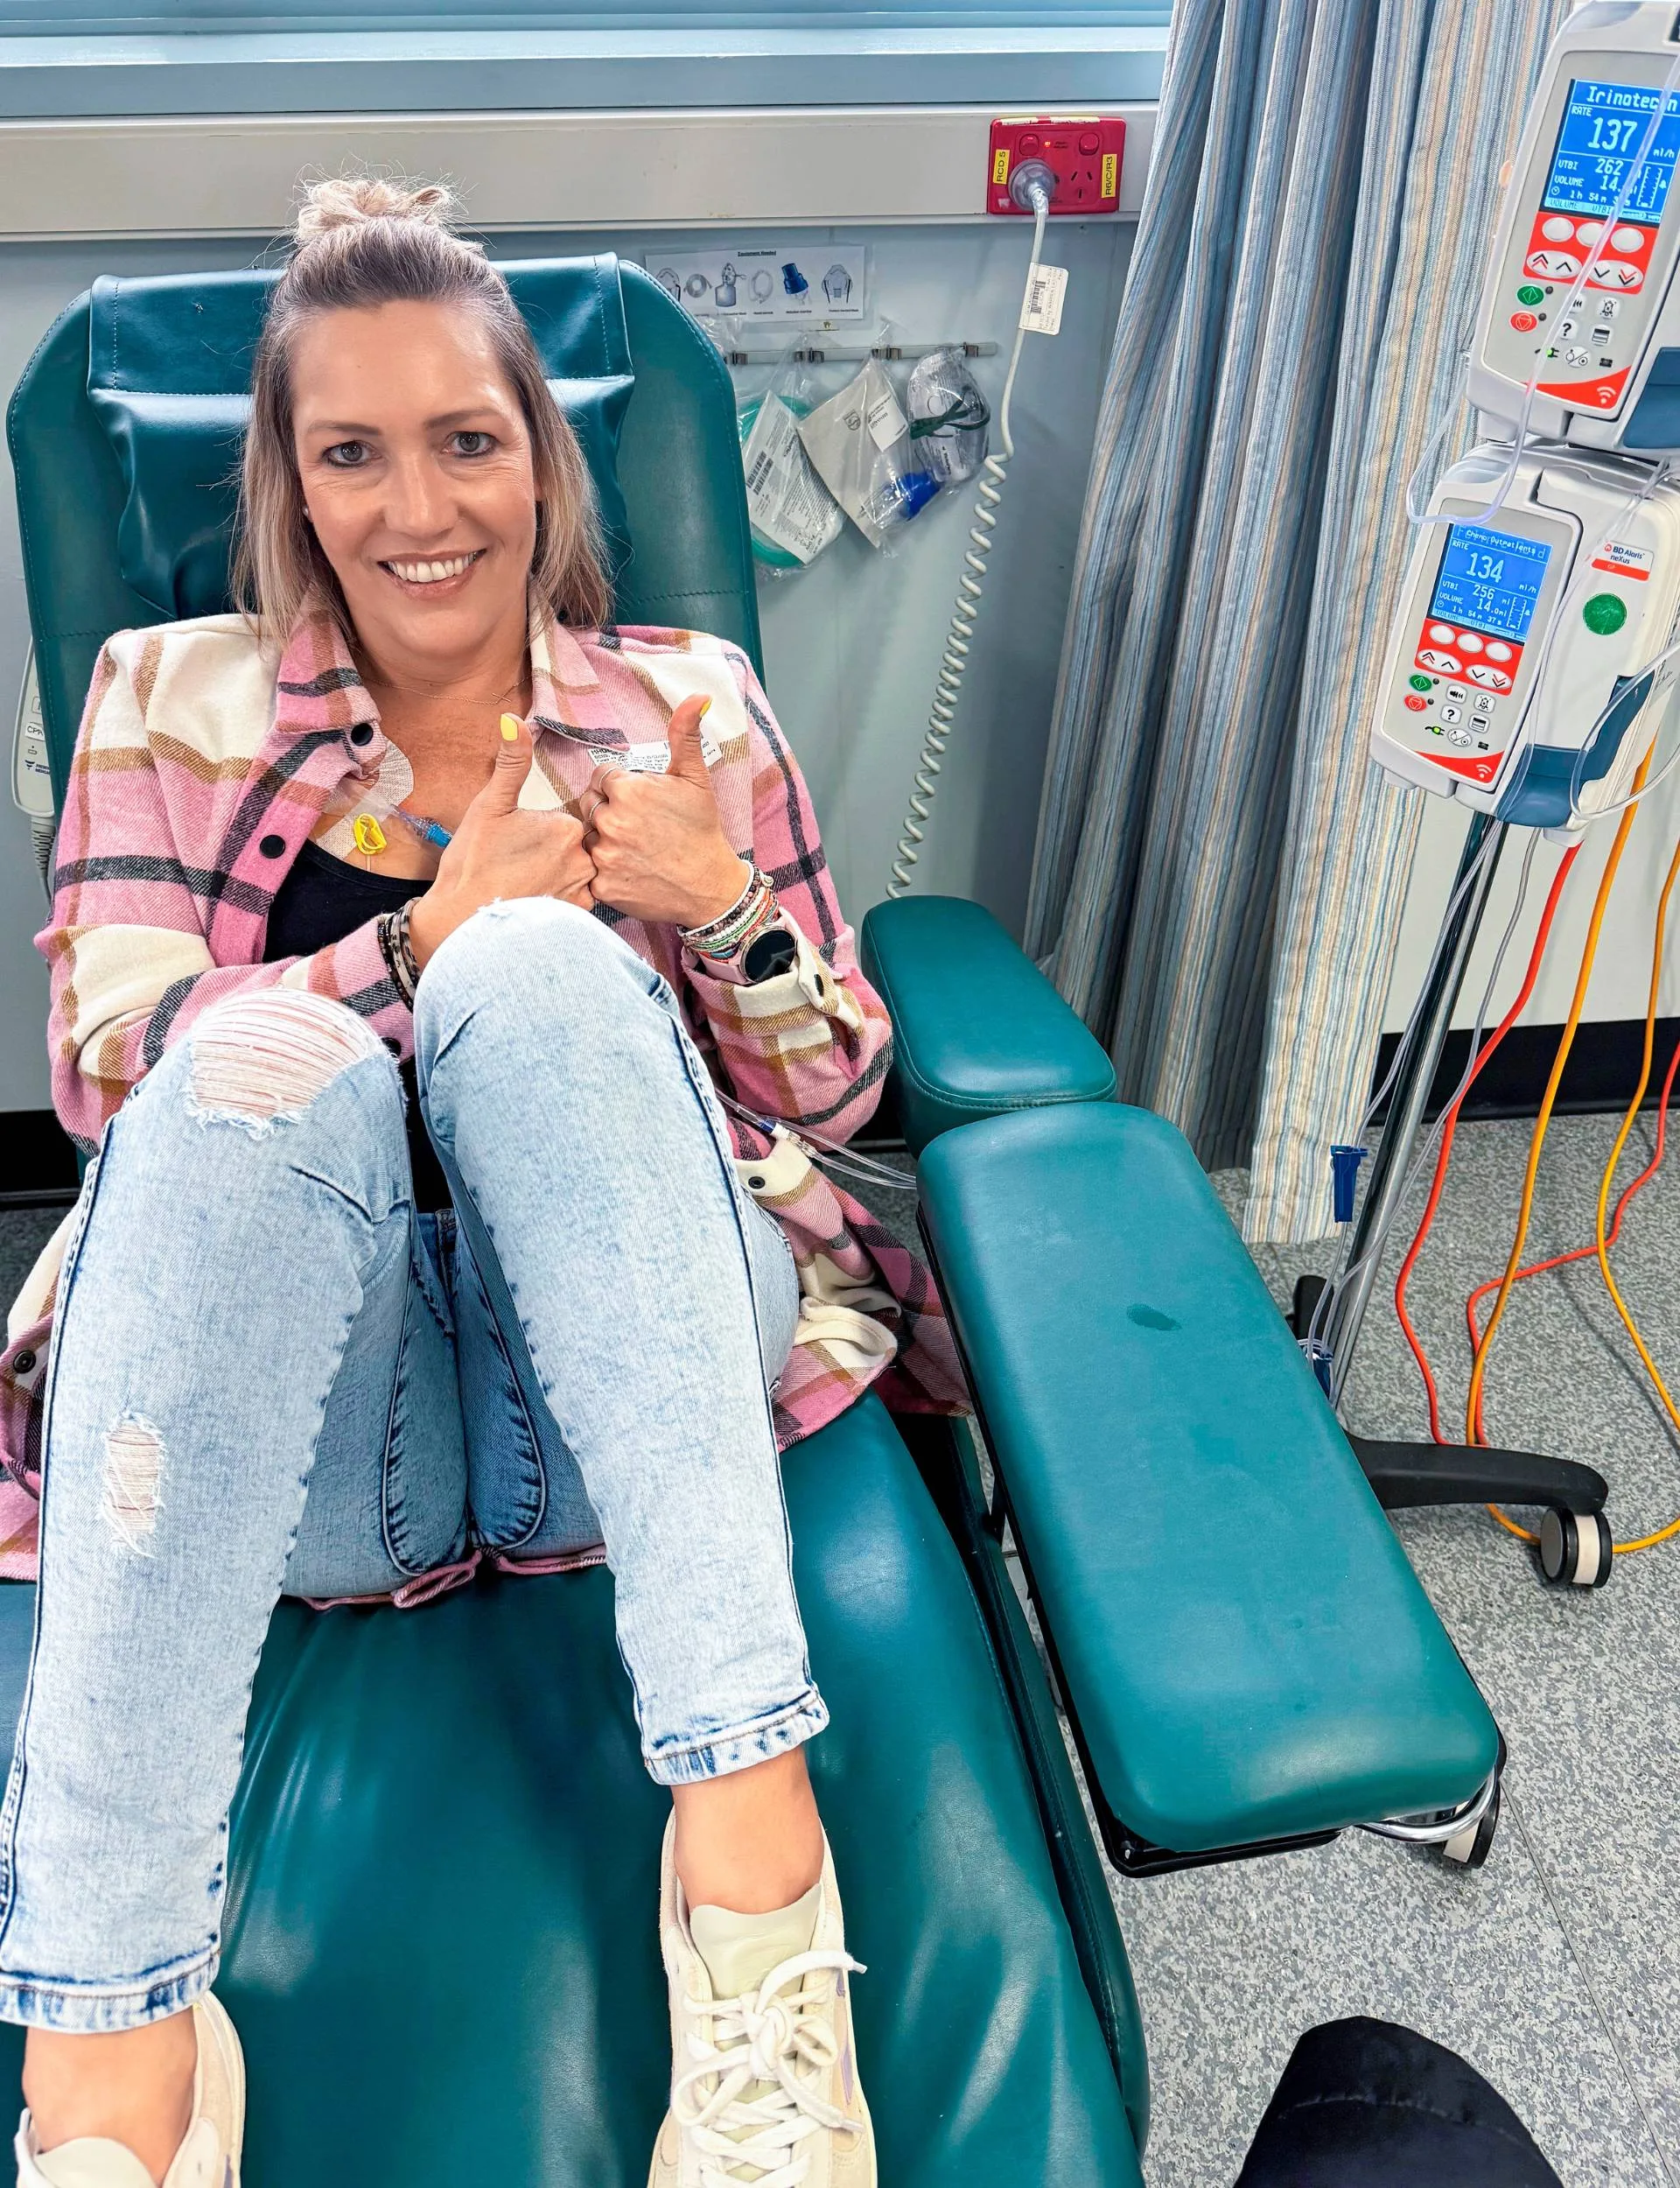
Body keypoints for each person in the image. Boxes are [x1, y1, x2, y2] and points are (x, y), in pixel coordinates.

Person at [0, 175, 959, 2188]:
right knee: (315, 1040)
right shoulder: (164, 705)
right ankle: (110, 2075)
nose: (417, 507)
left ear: (540, 452)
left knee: (541, 968)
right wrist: (402, 951)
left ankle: (757, 1879)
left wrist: (729, 920)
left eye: (467, 437)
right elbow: (116, 1103)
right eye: (350, 450)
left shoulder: (685, 702)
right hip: (316, 1441)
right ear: (286, 479)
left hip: (634, 1401)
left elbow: (849, 1078)